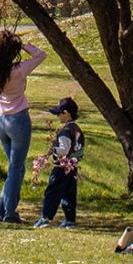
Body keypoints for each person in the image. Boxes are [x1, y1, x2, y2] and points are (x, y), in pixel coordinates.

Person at [0, 30, 48, 224]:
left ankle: (1, 209)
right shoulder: (19, 70)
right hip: (18, 120)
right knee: (16, 168)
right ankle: (10, 213)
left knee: (15, 169)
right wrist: (22, 45)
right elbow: (41, 55)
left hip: (2, 121)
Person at [34, 97, 85, 228]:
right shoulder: (77, 130)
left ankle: (46, 217)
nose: (57, 116)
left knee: (52, 192)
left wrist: (53, 150)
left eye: (59, 113)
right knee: (69, 194)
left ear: (66, 113)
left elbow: (64, 149)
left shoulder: (65, 131)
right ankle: (70, 220)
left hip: (61, 167)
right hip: (73, 168)